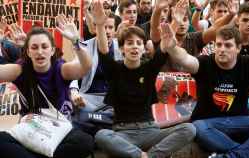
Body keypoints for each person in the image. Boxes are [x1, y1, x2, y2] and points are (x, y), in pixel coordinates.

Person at [91, 0, 196, 157]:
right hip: (123, 134)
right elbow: (103, 51)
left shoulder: (149, 68)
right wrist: (99, 25)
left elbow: (165, 44)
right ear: (121, 48)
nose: (134, 46)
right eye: (129, 43)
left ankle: (150, 155)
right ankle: (140, 155)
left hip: (150, 130)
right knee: (101, 136)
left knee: (189, 129)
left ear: (143, 49)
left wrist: (176, 22)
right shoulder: (114, 69)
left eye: (139, 43)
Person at [166, 24, 249, 157]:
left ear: (238, 48)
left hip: (240, 123)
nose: (221, 49)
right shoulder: (204, 63)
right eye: (218, 45)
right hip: (207, 126)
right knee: (197, 127)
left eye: (228, 45)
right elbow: (184, 59)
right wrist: (172, 48)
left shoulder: (248, 63)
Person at [0, 15, 94, 158]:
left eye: (44, 47)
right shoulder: (20, 69)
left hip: (58, 129)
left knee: (85, 142)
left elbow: (85, 66)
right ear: (28, 52)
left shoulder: (61, 69)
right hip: (30, 129)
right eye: (34, 47)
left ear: (52, 50)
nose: (40, 52)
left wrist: (76, 41)